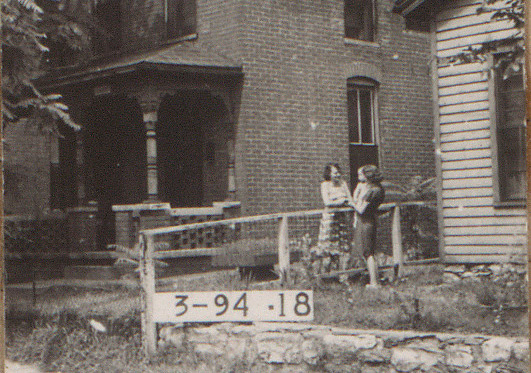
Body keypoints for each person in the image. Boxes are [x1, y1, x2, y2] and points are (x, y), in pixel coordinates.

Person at [313, 163, 354, 273]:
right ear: (329, 174)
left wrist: (351, 204)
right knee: (328, 247)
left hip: (342, 218)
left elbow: (350, 199)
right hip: (330, 218)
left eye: (338, 172)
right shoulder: (325, 185)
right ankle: (325, 273)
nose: (337, 175)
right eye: (335, 173)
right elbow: (327, 202)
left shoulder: (343, 184)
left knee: (343, 246)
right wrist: (340, 201)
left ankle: (342, 272)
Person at [352, 165, 385, 288]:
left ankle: (374, 282)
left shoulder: (373, 191)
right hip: (369, 220)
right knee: (369, 252)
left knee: (368, 252)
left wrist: (352, 203)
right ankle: (375, 280)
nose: (359, 177)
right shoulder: (377, 188)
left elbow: (361, 209)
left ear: (368, 175)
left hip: (366, 222)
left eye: (361, 174)